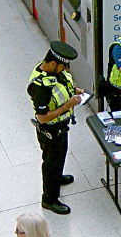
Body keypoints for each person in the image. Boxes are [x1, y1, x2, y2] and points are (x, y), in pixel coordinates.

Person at [28, 41, 84, 215]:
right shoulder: (40, 87)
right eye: (63, 66)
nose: (64, 69)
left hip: (61, 127)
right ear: (53, 63)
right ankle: (49, 199)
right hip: (50, 131)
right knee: (51, 163)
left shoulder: (51, 70)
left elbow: (60, 84)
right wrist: (68, 105)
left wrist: (74, 89)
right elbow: (42, 117)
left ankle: (57, 177)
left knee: (61, 155)